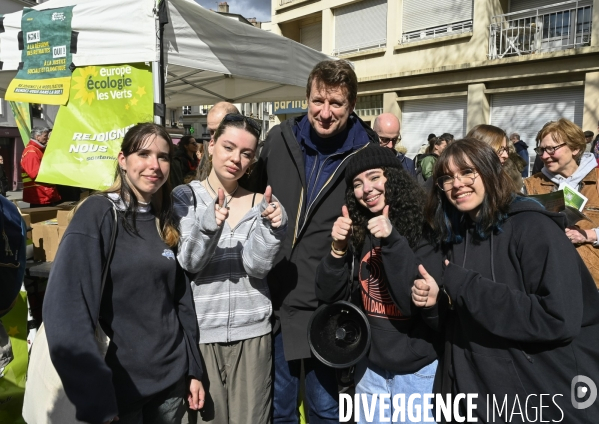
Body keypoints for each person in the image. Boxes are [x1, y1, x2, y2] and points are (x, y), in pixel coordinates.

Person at [412, 138, 599, 423]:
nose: (457, 183)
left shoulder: (533, 227)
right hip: (471, 395)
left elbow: (558, 317)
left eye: (467, 172)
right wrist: (435, 303)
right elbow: (460, 321)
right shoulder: (456, 233)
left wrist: (464, 285)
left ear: (489, 171)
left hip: (530, 396)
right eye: (447, 178)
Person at [42, 123, 204, 424]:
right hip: (118, 393)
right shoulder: (99, 214)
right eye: (143, 154)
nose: (154, 165)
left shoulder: (166, 218)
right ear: (122, 160)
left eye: (163, 156)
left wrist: (194, 368)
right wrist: (97, 400)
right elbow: (66, 310)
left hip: (171, 385)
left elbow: (180, 302)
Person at [246, 59, 378, 423]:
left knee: (325, 409)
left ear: (351, 106)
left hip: (329, 303)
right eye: (318, 100)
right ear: (307, 98)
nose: (325, 112)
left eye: (336, 103)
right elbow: (248, 196)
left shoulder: (365, 154)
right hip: (276, 299)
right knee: (280, 407)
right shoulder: (279, 140)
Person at [173, 113, 287, 424]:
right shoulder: (185, 197)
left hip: (252, 335)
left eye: (246, 153)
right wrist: (210, 225)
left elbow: (257, 268)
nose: (236, 159)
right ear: (211, 146)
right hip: (201, 335)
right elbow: (189, 262)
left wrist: (272, 230)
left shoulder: (261, 202)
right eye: (228, 147)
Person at [315, 145, 440, 423]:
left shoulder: (424, 227)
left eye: (374, 177)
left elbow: (411, 302)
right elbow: (328, 296)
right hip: (369, 370)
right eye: (357, 184)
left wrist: (393, 239)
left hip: (416, 373)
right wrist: (337, 250)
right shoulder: (361, 230)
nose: (366, 189)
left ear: (393, 178)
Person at [523, 118, 599, 288]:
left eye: (551, 149)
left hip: (593, 281)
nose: (544, 155)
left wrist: (590, 235)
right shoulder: (530, 185)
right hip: (548, 281)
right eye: (541, 150)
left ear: (575, 148)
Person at [467, 124, 526, 190]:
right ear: (479, 150)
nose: (505, 155)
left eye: (506, 150)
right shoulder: (463, 183)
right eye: (500, 150)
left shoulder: (503, 181)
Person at [198, 103, 240, 180]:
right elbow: (201, 177)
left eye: (219, 131)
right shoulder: (209, 150)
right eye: (211, 131)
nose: (214, 136)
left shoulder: (249, 154)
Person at [21, 127, 61, 207]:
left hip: (42, 193)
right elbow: (35, 174)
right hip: (40, 194)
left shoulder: (36, 150)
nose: (47, 138)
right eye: (45, 136)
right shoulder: (32, 151)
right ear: (37, 137)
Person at [373, 113, 416, 177]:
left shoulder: (407, 165)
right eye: (384, 139)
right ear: (373, 135)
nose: (390, 145)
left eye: (394, 139)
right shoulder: (362, 162)